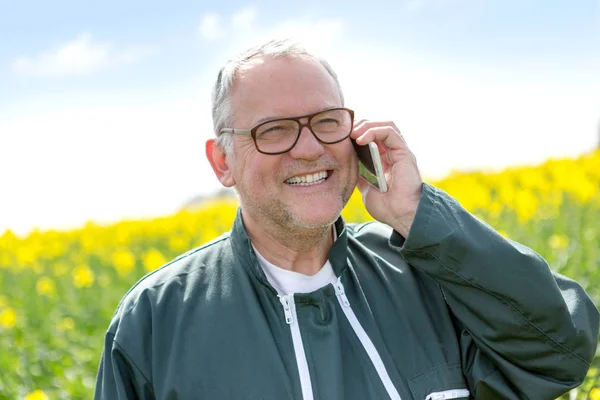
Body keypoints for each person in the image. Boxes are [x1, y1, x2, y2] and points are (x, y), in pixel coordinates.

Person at [94, 39, 599, 400]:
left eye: (327, 121)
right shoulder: (154, 322)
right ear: (222, 161)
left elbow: (559, 354)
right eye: (274, 130)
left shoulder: (427, 272)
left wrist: (416, 213)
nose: (310, 148)